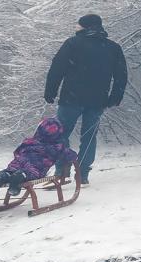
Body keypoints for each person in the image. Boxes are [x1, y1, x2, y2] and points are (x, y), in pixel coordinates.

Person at [44, 13, 127, 185]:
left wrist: (50, 90)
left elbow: (57, 67)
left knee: (61, 133)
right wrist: (114, 97)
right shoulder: (112, 47)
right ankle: (83, 173)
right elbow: (121, 76)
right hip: (97, 100)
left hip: (71, 98)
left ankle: (63, 167)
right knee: (89, 137)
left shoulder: (72, 44)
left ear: (85, 26)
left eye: (78, 24)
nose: (76, 27)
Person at [0, 117, 79, 198]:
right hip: (36, 165)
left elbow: (17, 151)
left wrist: (22, 157)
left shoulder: (29, 141)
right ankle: (19, 179)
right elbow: (69, 155)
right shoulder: (57, 147)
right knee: (30, 173)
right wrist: (73, 156)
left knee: (9, 171)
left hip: (19, 161)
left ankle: (1, 177)